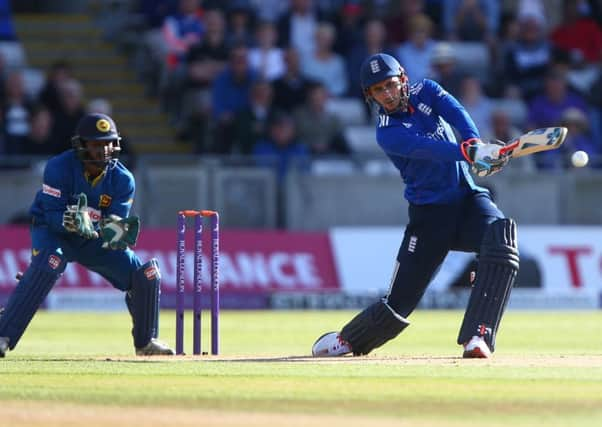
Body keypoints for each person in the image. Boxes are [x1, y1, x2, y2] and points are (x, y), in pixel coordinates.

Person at [311, 53, 518, 359]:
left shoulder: (427, 91)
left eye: (391, 85)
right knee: (397, 306)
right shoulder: (387, 133)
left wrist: (474, 143)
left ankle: (478, 337)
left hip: (466, 199)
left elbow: (455, 110)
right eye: (379, 90)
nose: (388, 94)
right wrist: (469, 154)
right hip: (429, 218)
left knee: (500, 238)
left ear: (403, 80)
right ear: (370, 96)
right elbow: (429, 149)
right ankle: (348, 340)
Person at [0, 113, 174, 358]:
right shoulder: (58, 167)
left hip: (93, 239)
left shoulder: (123, 179)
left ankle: (146, 342)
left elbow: (113, 220)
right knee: (50, 263)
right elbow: (50, 215)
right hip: (53, 233)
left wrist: (116, 233)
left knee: (146, 274)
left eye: (108, 143)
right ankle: (3, 334)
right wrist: (70, 222)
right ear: (81, 145)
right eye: (96, 144)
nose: (104, 150)